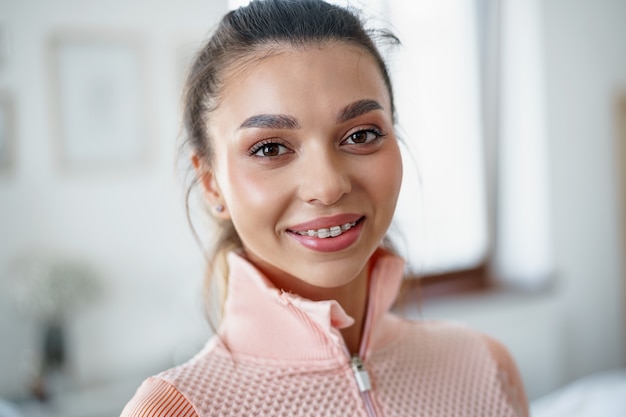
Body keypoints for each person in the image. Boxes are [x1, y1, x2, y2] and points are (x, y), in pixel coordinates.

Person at [121, 0, 529, 416]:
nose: (328, 186)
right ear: (211, 183)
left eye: (361, 135)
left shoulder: (485, 367)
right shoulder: (172, 410)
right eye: (270, 147)